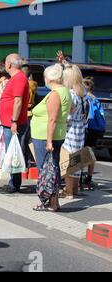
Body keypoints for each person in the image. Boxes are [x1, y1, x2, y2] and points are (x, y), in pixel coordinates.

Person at [31, 64, 71, 211]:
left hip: (45, 136)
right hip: (57, 134)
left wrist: (48, 140)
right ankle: (52, 202)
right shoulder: (65, 91)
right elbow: (68, 111)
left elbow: (52, 119)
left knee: (46, 170)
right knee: (53, 168)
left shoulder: (55, 94)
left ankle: (49, 202)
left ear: (49, 78)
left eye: (45, 77)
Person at [0, 54, 30, 194]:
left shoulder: (19, 78)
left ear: (9, 64)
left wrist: (14, 121)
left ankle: (14, 184)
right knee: (12, 153)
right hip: (10, 122)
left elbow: (18, 101)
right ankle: (13, 182)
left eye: (5, 62)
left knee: (14, 153)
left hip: (14, 123)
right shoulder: (16, 78)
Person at [60, 63, 87, 200]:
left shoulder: (70, 94)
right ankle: (75, 189)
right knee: (77, 160)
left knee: (67, 159)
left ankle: (68, 190)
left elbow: (67, 114)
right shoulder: (83, 93)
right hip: (80, 129)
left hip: (70, 129)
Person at [82, 77, 106, 190]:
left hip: (87, 127)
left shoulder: (85, 98)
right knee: (90, 151)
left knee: (82, 152)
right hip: (96, 129)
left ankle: (79, 176)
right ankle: (89, 177)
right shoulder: (96, 99)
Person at [21, 63, 39, 166]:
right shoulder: (33, 84)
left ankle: (23, 160)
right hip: (31, 113)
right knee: (30, 138)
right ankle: (31, 159)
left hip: (24, 113)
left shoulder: (22, 84)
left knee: (23, 139)